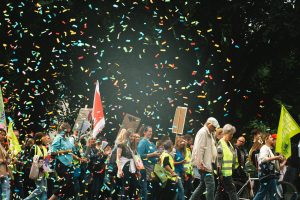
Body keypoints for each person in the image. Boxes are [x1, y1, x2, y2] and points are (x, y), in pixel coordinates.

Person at [49, 122, 81, 200]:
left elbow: (72, 150)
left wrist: (76, 146)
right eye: (68, 128)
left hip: (69, 165)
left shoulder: (66, 139)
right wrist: (65, 151)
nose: (70, 129)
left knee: (68, 188)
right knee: (61, 188)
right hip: (61, 165)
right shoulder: (58, 138)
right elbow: (52, 152)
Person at [190, 117, 219, 200]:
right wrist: (200, 163)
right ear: (209, 124)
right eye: (213, 127)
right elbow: (199, 149)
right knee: (211, 186)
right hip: (204, 165)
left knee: (202, 186)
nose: (214, 129)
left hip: (207, 164)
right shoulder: (203, 133)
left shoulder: (208, 133)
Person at [253, 133, 283, 200]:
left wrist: (277, 157)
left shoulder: (268, 148)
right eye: (270, 137)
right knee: (262, 193)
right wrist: (276, 157)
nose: (272, 138)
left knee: (272, 194)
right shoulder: (264, 148)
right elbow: (263, 159)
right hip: (266, 175)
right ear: (266, 139)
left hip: (269, 175)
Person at [215, 124, 239, 200]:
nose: (232, 136)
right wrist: (220, 173)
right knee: (232, 190)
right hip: (223, 173)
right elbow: (219, 159)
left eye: (232, 134)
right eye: (230, 134)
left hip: (228, 173)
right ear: (225, 133)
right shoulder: (221, 143)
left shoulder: (229, 144)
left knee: (219, 192)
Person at [116, 129, 140, 199]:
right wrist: (120, 170)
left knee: (134, 187)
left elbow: (136, 159)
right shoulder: (121, 144)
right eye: (130, 136)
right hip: (125, 167)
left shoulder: (133, 146)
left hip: (133, 169)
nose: (132, 138)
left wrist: (138, 170)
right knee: (126, 188)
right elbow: (118, 158)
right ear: (127, 136)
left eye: (133, 136)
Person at [137, 126, 160, 200]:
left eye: (151, 131)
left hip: (152, 170)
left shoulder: (152, 143)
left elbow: (156, 154)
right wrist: (152, 154)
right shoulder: (143, 142)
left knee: (149, 190)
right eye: (149, 131)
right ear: (144, 132)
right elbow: (139, 155)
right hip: (145, 168)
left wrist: (159, 155)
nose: (151, 133)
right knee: (144, 189)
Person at [24, 132, 49, 200]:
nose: (47, 138)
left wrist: (45, 168)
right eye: (45, 137)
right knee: (40, 189)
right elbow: (29, 159)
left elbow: (46, 159)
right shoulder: (34, 147)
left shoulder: (45, 148)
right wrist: (38, 163)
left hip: (44, 171)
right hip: (37, 171)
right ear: (40, 138)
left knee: (44, 189)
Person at [0, 128, 10, 199]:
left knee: (6, 189)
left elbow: (7, 158)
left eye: (4, 135)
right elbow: (3, 160)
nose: (3, 136)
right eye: (1, 134)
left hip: (4, 172)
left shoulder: (2, 146)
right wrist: (3, 160)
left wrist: (9, 157)